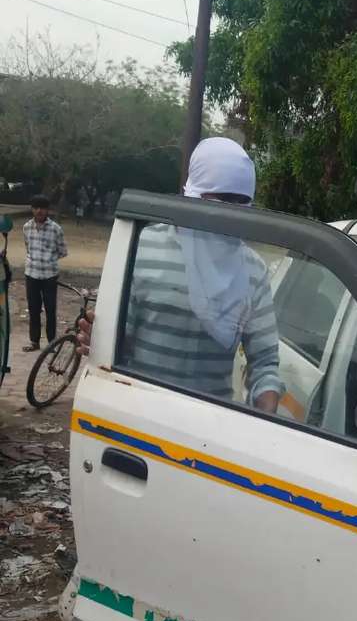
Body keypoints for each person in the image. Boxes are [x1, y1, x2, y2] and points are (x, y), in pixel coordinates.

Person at [76, 137, 281, 414]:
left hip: (211, 426)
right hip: (137, 411)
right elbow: (119, 340)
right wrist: (100, 340)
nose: (231, 213)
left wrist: (268, 417)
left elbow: (265, 362)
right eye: (221, 200)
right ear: (194, 193)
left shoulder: (253, 271)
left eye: (240, 202)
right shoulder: (143, 247)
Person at [23, 194, 67, 352]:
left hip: (49, 276)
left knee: (50, 310)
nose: (39, 210)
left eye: (43, 207)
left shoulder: (56, 229)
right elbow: (28, 247)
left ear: (48, 210)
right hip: (31, 274)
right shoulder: (26, 227)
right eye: (36, 207)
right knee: (34, 309)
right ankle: (34, 342)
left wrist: (48, 260)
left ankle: (51, 344)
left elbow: (62, 251)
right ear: (32, 209)